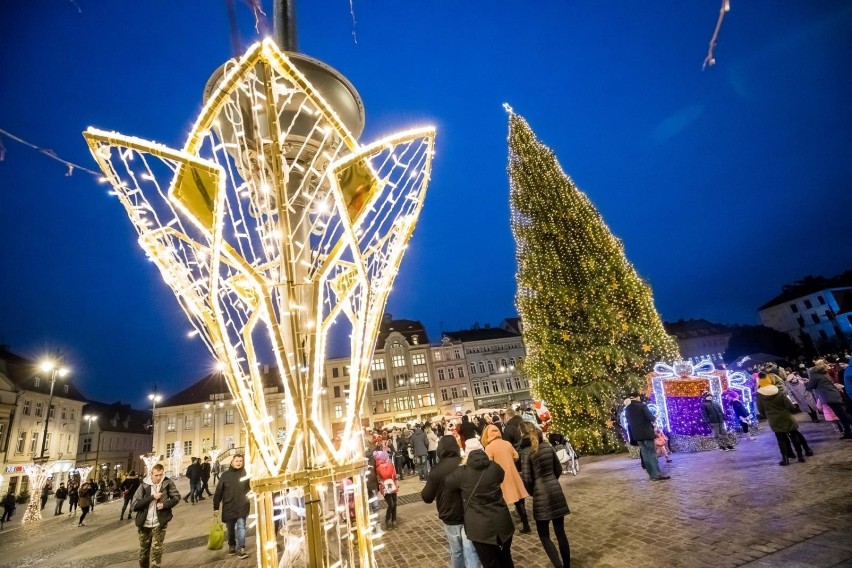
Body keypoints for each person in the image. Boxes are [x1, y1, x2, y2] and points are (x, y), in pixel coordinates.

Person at [446, 438, 516, 568]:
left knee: (489, 563)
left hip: (479, 527)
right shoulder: (494, 467)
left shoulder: (462, 473)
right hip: (502, 521)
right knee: (506, 558)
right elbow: (501, 476)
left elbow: (449, 483)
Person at [421, 435, 480, 568]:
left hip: (450, 515)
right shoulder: (465, 462)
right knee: (471, 550)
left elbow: (426, 497)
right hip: (468, 513)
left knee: (457, 551)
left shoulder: (436, 469)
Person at [519, 421, 571, 568]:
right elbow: (558, 469)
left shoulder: (526, 452)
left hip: (540, 493)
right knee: (560, 532)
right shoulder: (547, 447)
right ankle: (566, 565)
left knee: (543, 534)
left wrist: (533, 491)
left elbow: (527, 478)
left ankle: (558, 565)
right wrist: (552, 480)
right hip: (555, 490)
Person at [481, 424, 531, 534]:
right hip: (513, 475)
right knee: (519, 501)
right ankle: (526, 523)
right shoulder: (507, 443)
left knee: (502, 503)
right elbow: (516, 456)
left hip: (501, 478)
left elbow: (488, 463)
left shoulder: (489, 447)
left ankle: (506, 527)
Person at [757, 374, 813, 465]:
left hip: (773, 418)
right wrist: (790, 410)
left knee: (781, 438)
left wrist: (767, 415)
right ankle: (800, 456)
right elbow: (789, 404)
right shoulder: (777, 390)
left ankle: (785, 459)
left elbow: (760, 409)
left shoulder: (759, 394)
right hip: (786, 416)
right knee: (794, 435)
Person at [132, 463, 181, 567]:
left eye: (161, 475)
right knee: (144, 552)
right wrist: (152, 497)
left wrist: (164, 505)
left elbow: (176, 497)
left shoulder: (167, 483)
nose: (159, 477)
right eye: (156, 475)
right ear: (151, 474)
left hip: (159, 523)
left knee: (156, 551)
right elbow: (134, 506)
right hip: (144, 523)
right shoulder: (143, 485)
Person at [624, 392, 670, 481]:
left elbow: (629, 423)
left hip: (637, 436)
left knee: (645, 455)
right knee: (651, 454)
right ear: (637, 397)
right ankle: (657, 475)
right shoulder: (642, 406)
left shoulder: (627, 409)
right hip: (647, 434)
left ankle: (652, 475)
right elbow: (651, 417)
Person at [213, 454, 251, 559]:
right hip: (229, 506)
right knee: (230, 528)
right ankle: (232, 545)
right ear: (232, 462)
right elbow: (218, 492)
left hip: (242, 504)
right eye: (237, 461)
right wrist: (216, 507)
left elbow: (251, 487)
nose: (239, 463)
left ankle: (241, 548)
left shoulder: (246, 474)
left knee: (241, 526)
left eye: (240, 461)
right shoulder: (225, 475)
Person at [807, 360, 852, 439]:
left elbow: (810, 386)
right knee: (841, 415)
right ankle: (848, 433)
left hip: (829, 397)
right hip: (834, 395)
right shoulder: (824, 372)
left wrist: (806, 382)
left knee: (843, 415)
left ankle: (848, 433)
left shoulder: (814, 374)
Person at [375, 450, 399, 530]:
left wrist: (396, 477)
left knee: (395, 503)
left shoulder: (388, 464)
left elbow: (393, 474)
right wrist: (390, 466)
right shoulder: (379, 466)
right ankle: (388, 520)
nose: (388, 457)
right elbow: (386, 475)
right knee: (391, 504)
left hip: (392, 485)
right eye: (387, 456)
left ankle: (394, 520)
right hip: (385, 487)